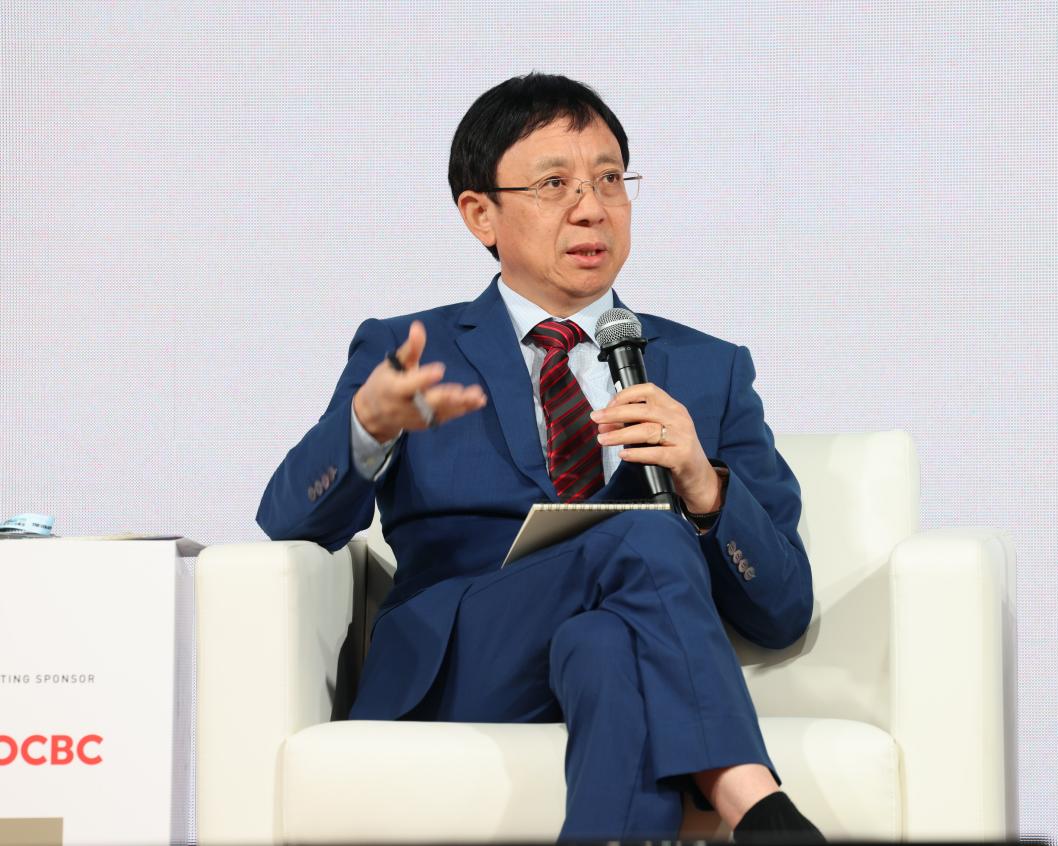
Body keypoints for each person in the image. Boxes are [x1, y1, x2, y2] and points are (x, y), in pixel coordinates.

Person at [258, 72, 824, 842]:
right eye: (555, 184)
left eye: (610, 180)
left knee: (603, 644)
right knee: (643, 531)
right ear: (480, 214)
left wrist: (705, 486)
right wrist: (367, 426)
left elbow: (783, 610)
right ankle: (753, 800)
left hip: (615, 661)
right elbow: (288, 520)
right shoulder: (411, 350)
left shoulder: (707, 369)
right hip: (466, 661)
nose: (592, 208)